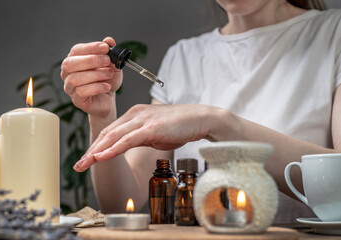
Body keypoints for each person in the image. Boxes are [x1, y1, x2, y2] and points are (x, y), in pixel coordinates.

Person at [60, 0, 341, 223]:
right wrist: (102, 114)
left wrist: (215, 123)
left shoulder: (333, 34)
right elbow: (120, 203)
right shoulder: (183, 57)